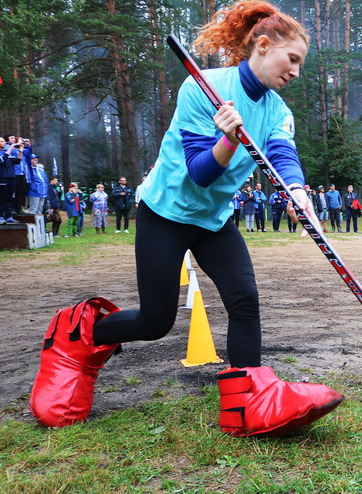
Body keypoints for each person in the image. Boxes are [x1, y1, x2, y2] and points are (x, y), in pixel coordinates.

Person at [29, 0, 342, 435]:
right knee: (155, 322)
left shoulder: (277, 111)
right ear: (264, 46)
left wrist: (297, 192)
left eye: (300, 64)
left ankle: (248, 404)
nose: (295, 71)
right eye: (292, 60)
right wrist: (228, 141)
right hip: (166, 212)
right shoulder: (202, 87)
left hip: (214, 219)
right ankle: (76, 336)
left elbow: (283, 157)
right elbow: (199, 173)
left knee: (244, 300)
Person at [0, 136, 22, 224]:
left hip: (11, 177)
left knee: (10, 198)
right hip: (2, 178)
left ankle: (8, 216)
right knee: (2, 198)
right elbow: (2, 160)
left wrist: (20, 152)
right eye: (2, 141)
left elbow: (17, 161)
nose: (4, 143)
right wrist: (11, 147)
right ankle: (1, 216)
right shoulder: (5, 153)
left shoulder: (7, 152)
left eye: (4, 141)